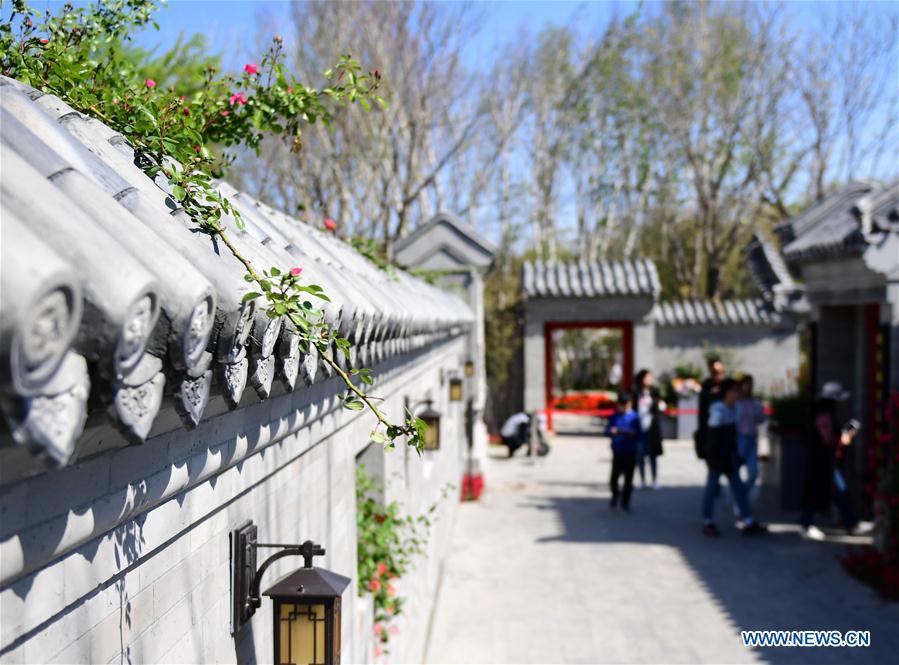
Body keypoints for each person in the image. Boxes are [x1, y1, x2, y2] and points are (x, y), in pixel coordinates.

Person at [799, 382, 867, 539]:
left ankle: (850, 522)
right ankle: (850, 523)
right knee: (835, 491)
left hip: (825, 461)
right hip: (823, 461)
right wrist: (845, 437)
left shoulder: (824, 414)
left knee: (836, 492)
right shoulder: (824, 416)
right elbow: (828, 439)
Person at [701, 378, 766, 536]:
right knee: (711, 488)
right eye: (735, 391)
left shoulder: (734, 409)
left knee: (738, 487)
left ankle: (747, 520)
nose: (738, 394)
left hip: (729, 456)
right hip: (718, 457)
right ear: (727, 392)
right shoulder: (718, 410)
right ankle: (708, 521)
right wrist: (713, 458)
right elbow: (712, 437)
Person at [605, 393, 641, 512]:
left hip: (630, 452)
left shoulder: (635, 417)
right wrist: (612, 431)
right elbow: (606, 431)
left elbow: (640, 435)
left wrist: (631, 433)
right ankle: (615, 495)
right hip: (617, 452)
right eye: (620, 404)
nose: (622, 407)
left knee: (628, 480)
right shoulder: (615, 416)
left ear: (630, 403)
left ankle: (625, 503)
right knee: (613, 479)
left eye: (624, 404)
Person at [632, 369, 667, 489]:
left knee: (653, 455)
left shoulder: (654, 391)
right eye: (647, 377)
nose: (649, 380)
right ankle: (642, 480)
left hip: (652, 428)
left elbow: (661, 406)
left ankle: (655, 480)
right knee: (640, 455)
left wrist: (659, 404)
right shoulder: (635, 392)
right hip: (639, 428)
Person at [734, 374, 766, 501]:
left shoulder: (755, 402)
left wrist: (758, 410)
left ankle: (741, 497)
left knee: (753, 473)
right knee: (734, 474)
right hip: (738, 439)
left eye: (750, 384)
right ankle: (740, 502)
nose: (747, 387)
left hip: (752, 439)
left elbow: (761, 419)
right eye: (745, 384)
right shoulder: (736, 402)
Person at [695, 357, 726, 460]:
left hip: (726, 431)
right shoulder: (706, 386)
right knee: (713, 466)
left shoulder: (728, 385)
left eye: (720, 372)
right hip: (711, 432)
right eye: (715, 372)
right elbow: (703, 412)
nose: (718, 375)